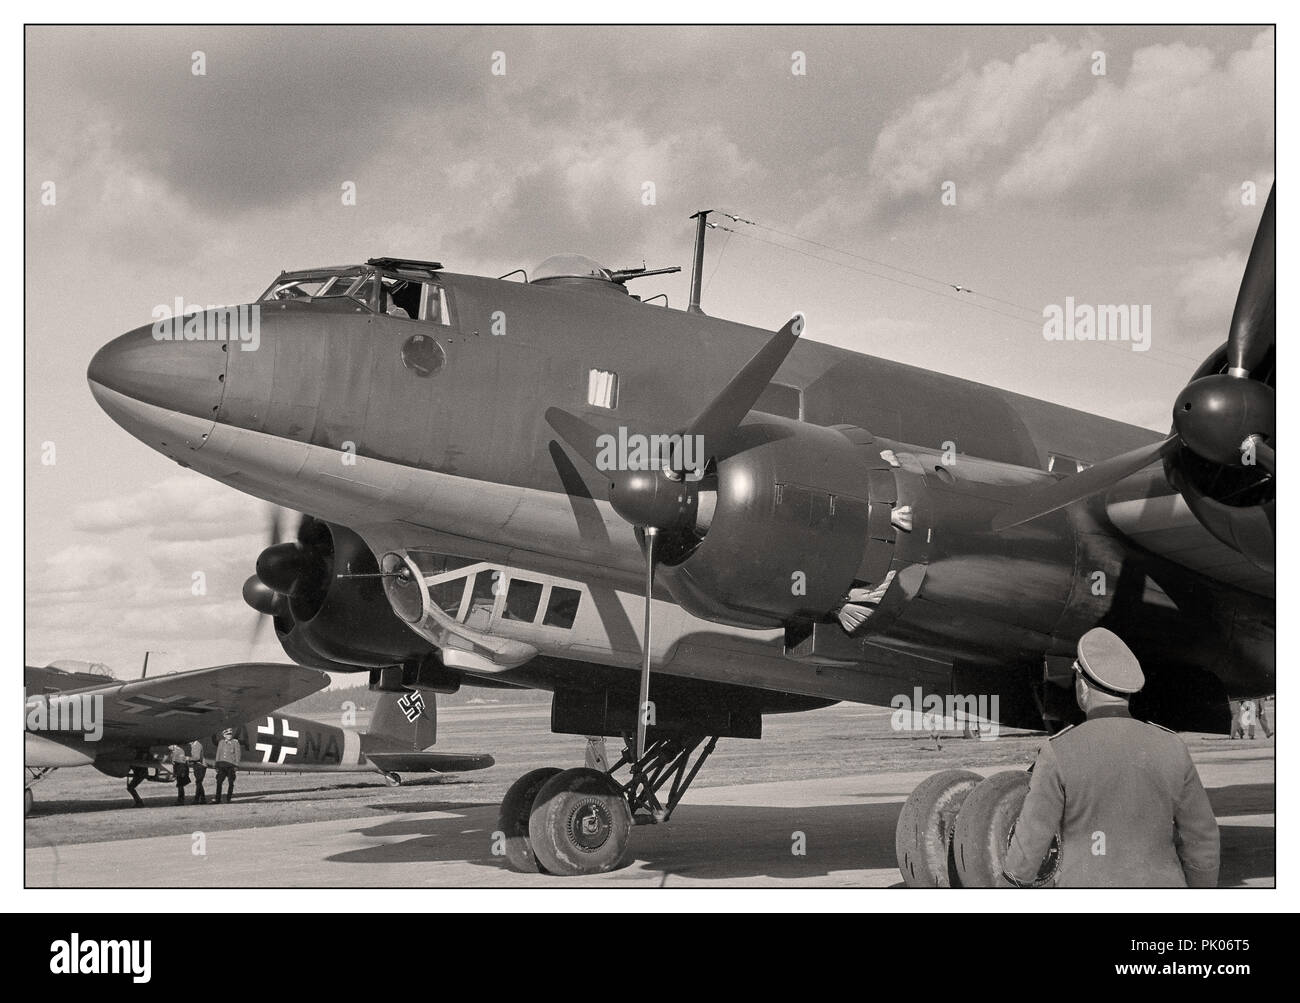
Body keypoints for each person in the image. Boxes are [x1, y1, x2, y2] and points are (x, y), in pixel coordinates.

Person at [1003, 627, 1220, 888]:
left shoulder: (1059, 750)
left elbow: (1031, 841)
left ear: (1082, 686)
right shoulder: (1172, 746)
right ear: (1128, 691)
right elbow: (1202, 837)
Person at [213, 728, 241, 804]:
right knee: (219, 782)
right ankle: (217, 799)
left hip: (230, 766)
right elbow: (218, 754)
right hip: (222, 765)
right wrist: (216, 765)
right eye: (228, 734)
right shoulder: (221, 742)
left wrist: (236, 765)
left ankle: (228, 799)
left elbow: (238, 755)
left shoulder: (235, 743)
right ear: (224, 735)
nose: (229, 736)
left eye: (230, 734)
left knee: (231, 783)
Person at [187, 738, 208, 804]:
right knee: (199, 783)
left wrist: (188, 758)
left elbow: (197, 758)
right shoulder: (194, 745)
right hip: (198, 765)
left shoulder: (197, 745)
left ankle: (198, 799)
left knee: (198, 782)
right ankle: (202, 799)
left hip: (200, 766)